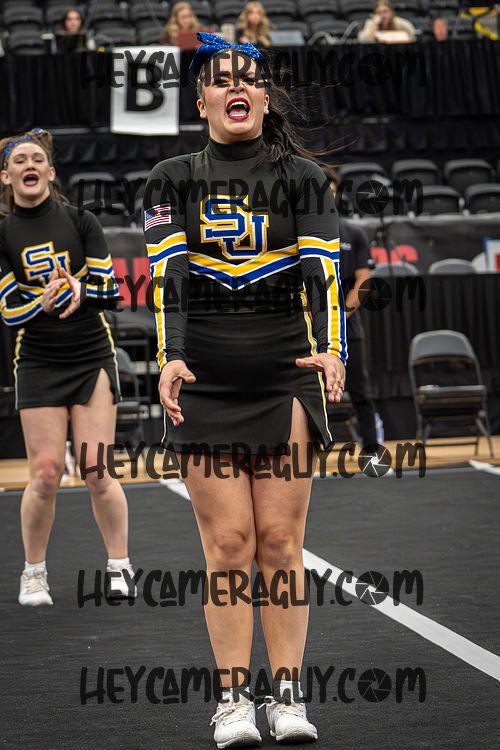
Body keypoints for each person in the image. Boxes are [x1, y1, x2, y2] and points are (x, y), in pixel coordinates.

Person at [144, 32, 347, 748]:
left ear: (263, 97)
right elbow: (168, 278)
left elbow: (323, 272)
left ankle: (287, 698)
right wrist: (168, 357)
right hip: (205, 384)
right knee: (229, 544)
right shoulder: (170, 177)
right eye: (221, 79)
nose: (237, 86)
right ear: (201, 102)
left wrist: (333, 348)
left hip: (284, 380)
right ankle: (233, 702)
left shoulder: (302, 178)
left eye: (249, 78)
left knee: (282, 542)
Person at [0, 128, 136, 606]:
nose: (29, 165)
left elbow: (110, 291)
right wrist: (42, 301)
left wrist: (79, 290)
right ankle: (34, 573)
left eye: (37, 159)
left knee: (97, 469)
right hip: (38, 360)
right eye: (20, 160)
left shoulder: (81, 220)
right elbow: (8, 311)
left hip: (89, 355)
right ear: (6, 176)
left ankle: (119, 565)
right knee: (44, 472)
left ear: (51, 171)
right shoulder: (3, 233)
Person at [324, 167, 380, 457]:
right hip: (310, 327)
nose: (327, 196)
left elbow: (364, 280)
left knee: (360, 390)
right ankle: (312, 449)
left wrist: (343, 311)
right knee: (310, 393)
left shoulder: (352, 232)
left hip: (348, 326)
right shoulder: (296, 231)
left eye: (331, 191)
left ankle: (371, 450)